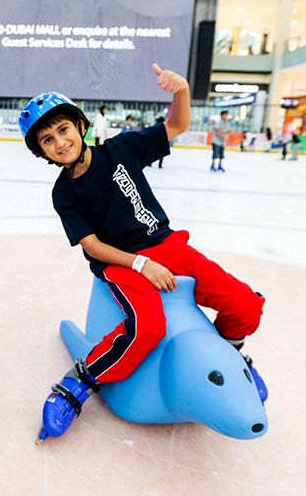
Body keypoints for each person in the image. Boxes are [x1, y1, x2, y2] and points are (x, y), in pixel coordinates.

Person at [19, 63, 266, 442]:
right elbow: (91, 244)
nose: (59, 142)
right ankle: (79, 383)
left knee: (245, 304)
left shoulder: (121, 148)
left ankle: (231, 356)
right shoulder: (64, 192)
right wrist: (140, 263)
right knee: (147, 328)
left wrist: (180, 91)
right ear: (42, 151)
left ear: (79, 126)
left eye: (62, 130)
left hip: (169, 246)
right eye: (47, 140)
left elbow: (177, 126)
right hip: (120, 265)